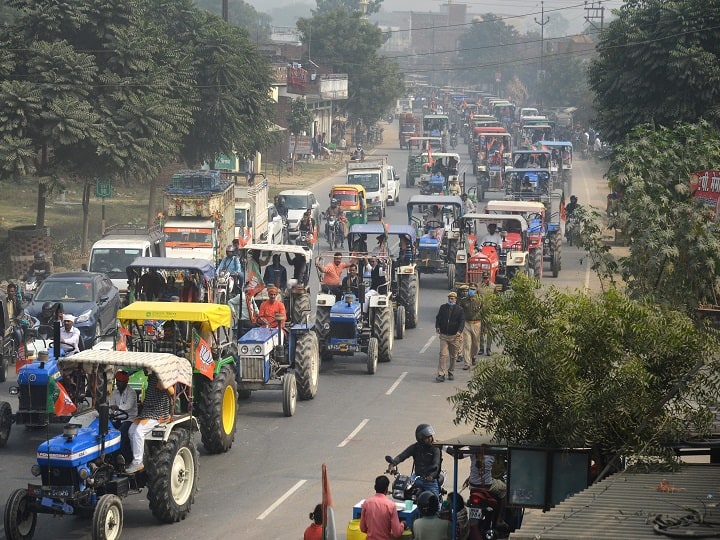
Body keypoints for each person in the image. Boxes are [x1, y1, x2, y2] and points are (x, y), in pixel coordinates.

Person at [126, 369, 175, 474]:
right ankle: (140, 457)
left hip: (157, 414)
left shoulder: (160, 378)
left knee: (139, 432)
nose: (144, 371)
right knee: (131, 431)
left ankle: (137, 462)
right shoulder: (150, 379)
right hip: (146, 412)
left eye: (146, 369)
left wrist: (163, 382)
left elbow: (172, 392)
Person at [388, 424, 443, 500]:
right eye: (427, 437)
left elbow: (436, 464)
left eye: (430, 436)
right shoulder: (415, 447)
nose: (430, 439)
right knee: (404, 492)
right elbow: (402, 456)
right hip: (416, 478)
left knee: (434, 503)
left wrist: (431, 476)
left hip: (430, 481)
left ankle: (437, 509)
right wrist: (392, 464)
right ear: (420, 438)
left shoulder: (435, 448)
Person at [359, 475, 405, 540]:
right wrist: (402, 524)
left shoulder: (367, 503)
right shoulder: (390, 505)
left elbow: (363, 528)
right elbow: (397, 533)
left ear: (375, 487)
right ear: (386, 489)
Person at [435, 291, 464, 382]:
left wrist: (459, 331)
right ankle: (441, 374)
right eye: (449, 298)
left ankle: (451, 372)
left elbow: (462, 322)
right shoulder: (443, 308)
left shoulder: (459, 310)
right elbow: (438, 318)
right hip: (444, 335)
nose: (450, 300)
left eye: (452, 298)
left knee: (453, 356)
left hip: (454, 336)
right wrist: (438, 327)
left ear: (455, 299)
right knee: (443, 355)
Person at [109, 370, 138, 461]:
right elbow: (111, 405)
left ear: (126, 382)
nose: (118, 384)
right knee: (107, 432)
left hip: (129, 419)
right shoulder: (114, 392)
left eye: (120, 382)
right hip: (117, 418)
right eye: (117, 381)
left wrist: (117, 407)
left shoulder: (132, 392)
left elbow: (128, 406)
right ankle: (110, 456)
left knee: (120, 433)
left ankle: (125, 457)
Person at [459, 283, 484, 369]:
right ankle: (467, 363)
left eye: (473, 289)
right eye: (470, 289)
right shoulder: (463, 300)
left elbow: (484, 313)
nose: (471, 291)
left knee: (476, 345)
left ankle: (473, 356)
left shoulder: (480, 301)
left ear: (476, 290)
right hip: (467, 324)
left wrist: (485, 327)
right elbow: (460, 312)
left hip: (477, 324)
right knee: (467, 344)